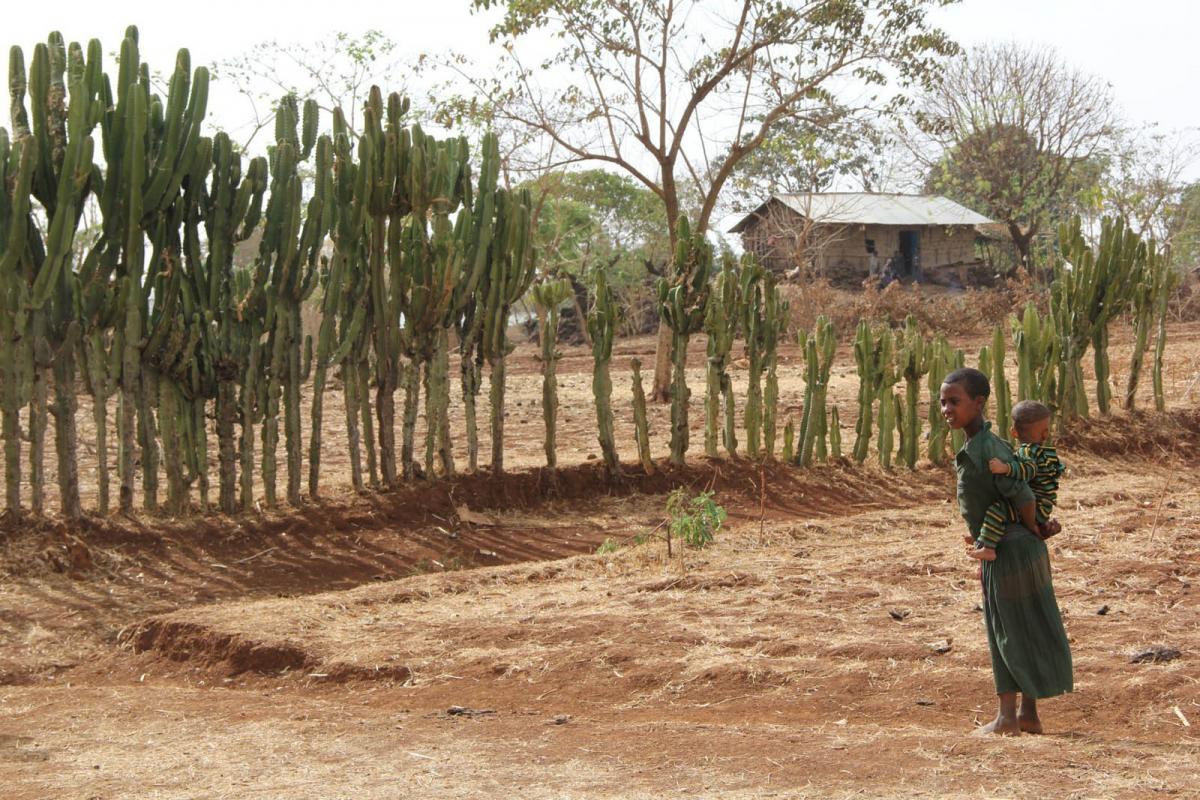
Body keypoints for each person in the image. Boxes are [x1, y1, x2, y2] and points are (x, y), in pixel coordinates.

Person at [939, 368, 1073, 735]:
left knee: (1006, 628)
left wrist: (1030, 528)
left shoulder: (989, 449)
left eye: (955, 401)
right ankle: (1028, 715)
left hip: (1011, 552)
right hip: (1015, 547)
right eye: (943, 401)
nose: (946, 409)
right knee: (1024, 626)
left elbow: (1023, 495)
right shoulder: (981, 446)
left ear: (978, 403)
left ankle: (1007, 718)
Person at [969, 400, 1066, 562]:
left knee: (997, 510)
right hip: (1042, 506)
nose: (1046, 434)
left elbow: (1029, 469)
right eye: (1045, 430)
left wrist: (1005, 468)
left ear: (1013, 432)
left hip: (1034, 507)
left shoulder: (1028, 451)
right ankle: (984, 536)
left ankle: (988, 547)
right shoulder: (1039, 451)